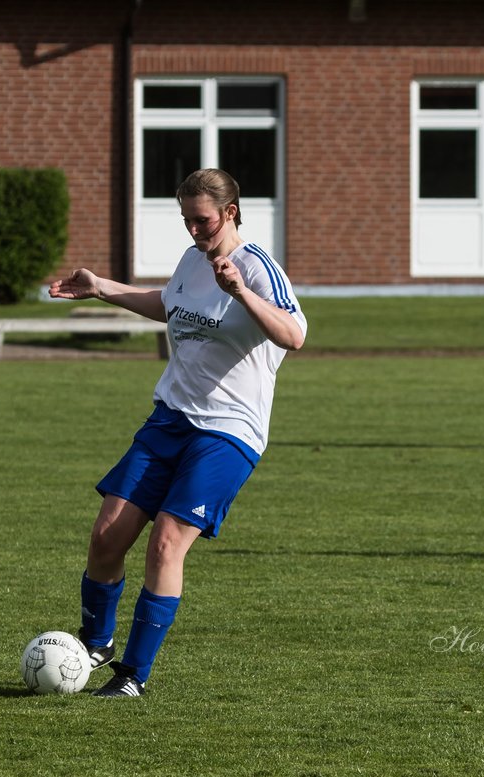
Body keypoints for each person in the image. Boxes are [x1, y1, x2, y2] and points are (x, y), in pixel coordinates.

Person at [48, 168, 306, 697]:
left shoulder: (257, 267)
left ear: (230, 213)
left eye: (203, 220)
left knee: (165, 545)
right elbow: (169, 303)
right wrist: (102, 289)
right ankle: (95, 645)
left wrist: (240, 293)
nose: (193, 230)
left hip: (228, 433)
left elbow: (295, 334)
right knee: (106, 537)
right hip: (170, 419)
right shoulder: (193, 260)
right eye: (186, 220)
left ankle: (132, 677)